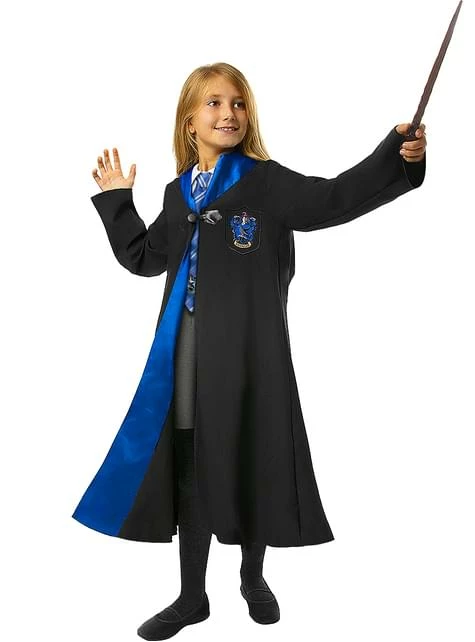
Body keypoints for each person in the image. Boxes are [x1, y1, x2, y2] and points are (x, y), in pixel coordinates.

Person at [72, 62, 427, 640]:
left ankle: (252, 576)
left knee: (247, 449)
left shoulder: (265, 182)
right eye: (213, 103)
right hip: (184, 350)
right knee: (189, 460)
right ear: (190, 121)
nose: (228, 113)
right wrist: (117, 202)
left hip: (247, 352)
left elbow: (334, 197)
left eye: (238, 104)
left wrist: (397, 156)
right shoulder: (178, 193)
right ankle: (192, 597)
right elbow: (144, 258)